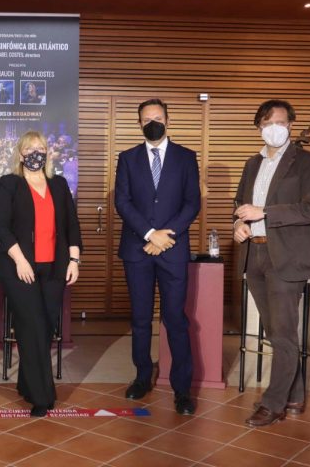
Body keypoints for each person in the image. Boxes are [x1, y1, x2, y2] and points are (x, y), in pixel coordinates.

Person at [234, 99, 310, 427]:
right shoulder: (251, 163)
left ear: (290, 125)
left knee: (284, 333)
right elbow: (239, 203)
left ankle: (273, 404)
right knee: (275, 330)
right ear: (259, 127)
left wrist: (265, 213)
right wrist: (239, 224)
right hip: (255, 254)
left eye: (282, 122)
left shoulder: (307, 162)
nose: (276, 128)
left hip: (287, 256)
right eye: (268, 123)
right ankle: (296, 394)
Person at [114, 98, 200, 415]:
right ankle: (141, 377)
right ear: (139, 123)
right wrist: (150, 235)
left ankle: (181, 389)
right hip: (137, 249)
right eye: (147, 118)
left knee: (175, 319)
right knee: (139, 319)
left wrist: (165, 236)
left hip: (173, 250)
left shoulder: (186, 157)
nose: (153, 122)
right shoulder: (127, 158)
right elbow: (122, 203)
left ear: (167, 120)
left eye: (158, 117)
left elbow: (192, 203)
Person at [0, 130, 82, 417]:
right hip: (20, 268)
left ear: (48, 152)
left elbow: (72, 226)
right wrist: (20, 260)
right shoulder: (10, 184)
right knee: (32, 328)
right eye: (29, 148)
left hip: (54, 269)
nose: (36, 153)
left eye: (41, 148)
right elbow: (0, 227)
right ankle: (42, 396)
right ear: (20, 153)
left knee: (43, 330)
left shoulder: (59, 184)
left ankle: (26, 384)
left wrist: (74, 260)